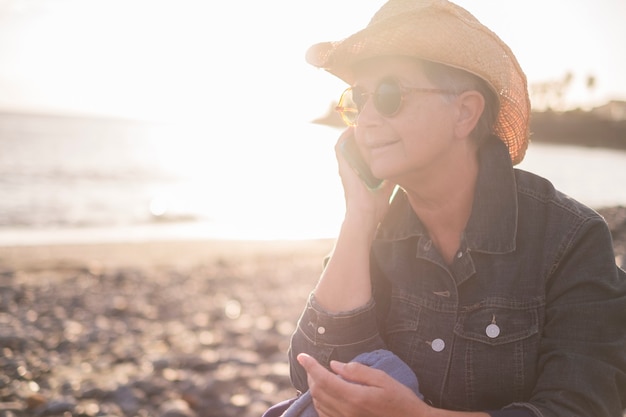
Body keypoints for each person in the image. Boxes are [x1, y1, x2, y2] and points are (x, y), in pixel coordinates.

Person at [267, 0, 626, 416]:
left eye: (387, 95)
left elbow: (584, 406)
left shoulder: (569, 239)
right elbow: (314, 377)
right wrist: (359, 217)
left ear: (464, 112)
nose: (363, 119)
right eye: (357, 99)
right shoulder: (375, 234)